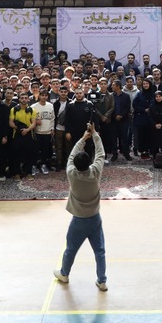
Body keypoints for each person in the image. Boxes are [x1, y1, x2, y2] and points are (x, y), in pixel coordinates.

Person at [53, 122, 108, 291]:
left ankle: (64, 273)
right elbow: (101, 153)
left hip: (78, 220)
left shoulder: (71, 172)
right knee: (100, 251)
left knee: (71, 249)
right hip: (94, 218)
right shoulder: (95, 172)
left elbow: (71, 155)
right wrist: (95, 134)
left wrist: (83, 138)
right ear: (89, 163)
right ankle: (102, 280)